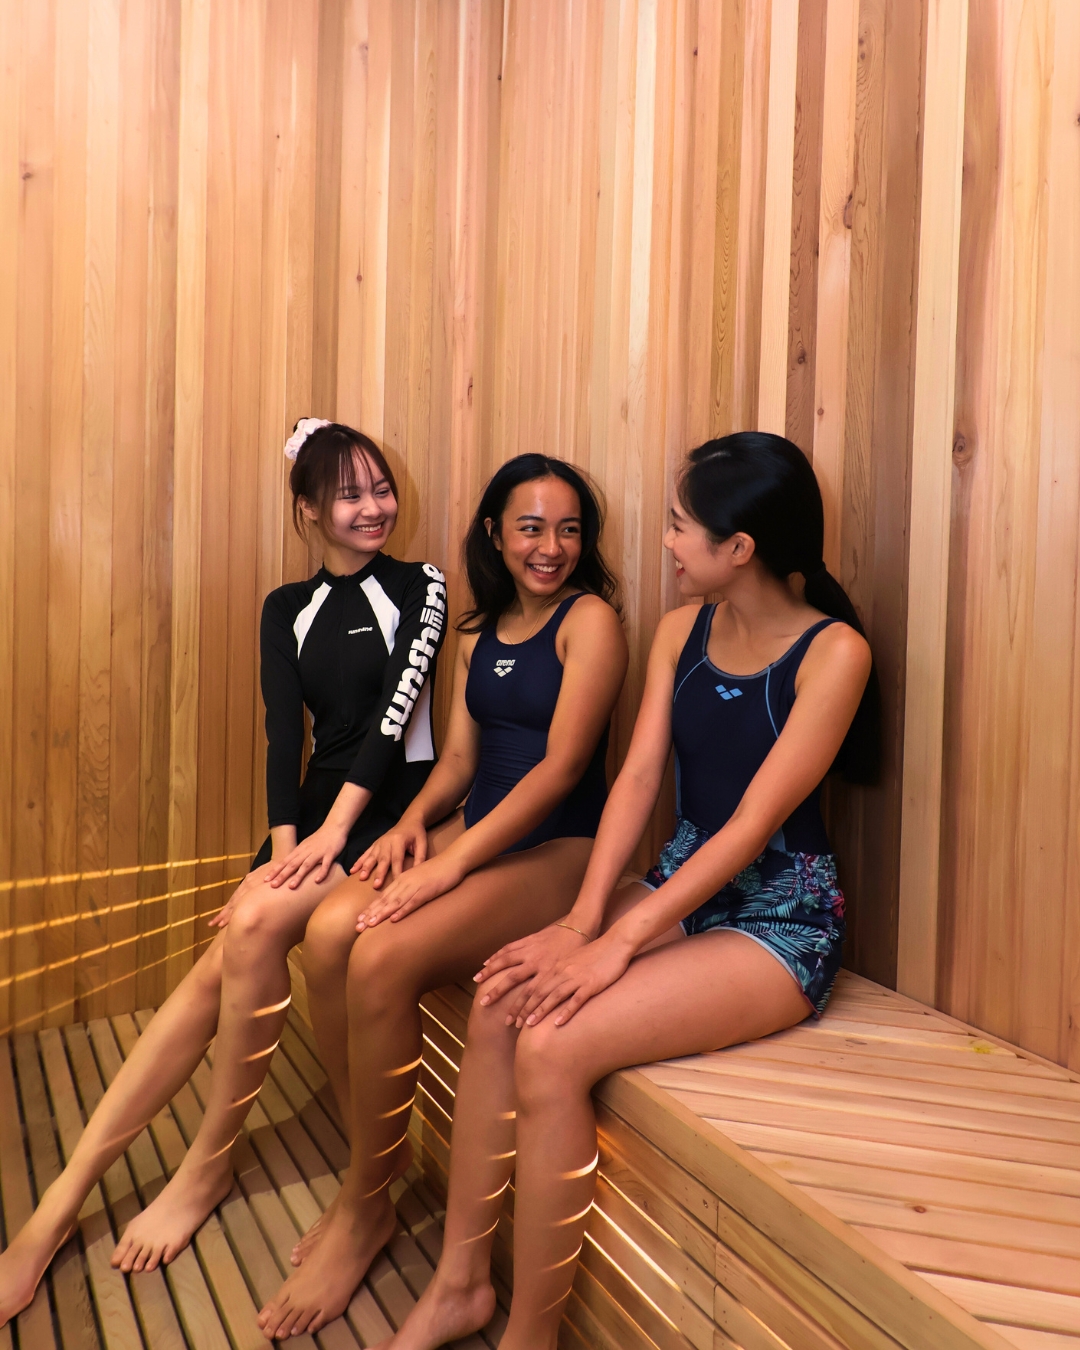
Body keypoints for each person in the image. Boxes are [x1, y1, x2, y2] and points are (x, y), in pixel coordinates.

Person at [378, 431, 879, 1350]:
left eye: (683, 526)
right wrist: (582, 919)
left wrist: (615, 942)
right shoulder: (683, 631)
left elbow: (748, 828)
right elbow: (641, 778)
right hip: (680, 889)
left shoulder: (833, 652)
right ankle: (459, 1284)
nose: (668, 542)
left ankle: (531, 1335)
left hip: (780, 922)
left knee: (553, 1048)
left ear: (740, 547)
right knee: (500, 997)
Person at [0, 419, 446, 1326]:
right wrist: (282, 850)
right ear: (307, 509)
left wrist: (330, 838)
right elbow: (286, 737)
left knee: (245, 930)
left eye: (381, 489)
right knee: (218, 964)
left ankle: (204, 1165)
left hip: (392, 812)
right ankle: (55, 1212)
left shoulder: (422, 586)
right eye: (350, 494)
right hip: (313, 824)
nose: (373, 508)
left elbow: (397, 717)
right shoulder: (286, 607)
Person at [256, 453, 629, 1341]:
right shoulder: (480, 629)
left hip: (562, 850)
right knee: (333, 930)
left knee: (382, 954)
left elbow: (562, 769)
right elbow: (460, 762)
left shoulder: (590, 623)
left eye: (569, 530)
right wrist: (414, 826)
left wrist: (449, 867)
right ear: (495, 534)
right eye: (531, 528)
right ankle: (369, 1172)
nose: (551, 547)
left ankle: (366, 1203)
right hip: (480, 828)